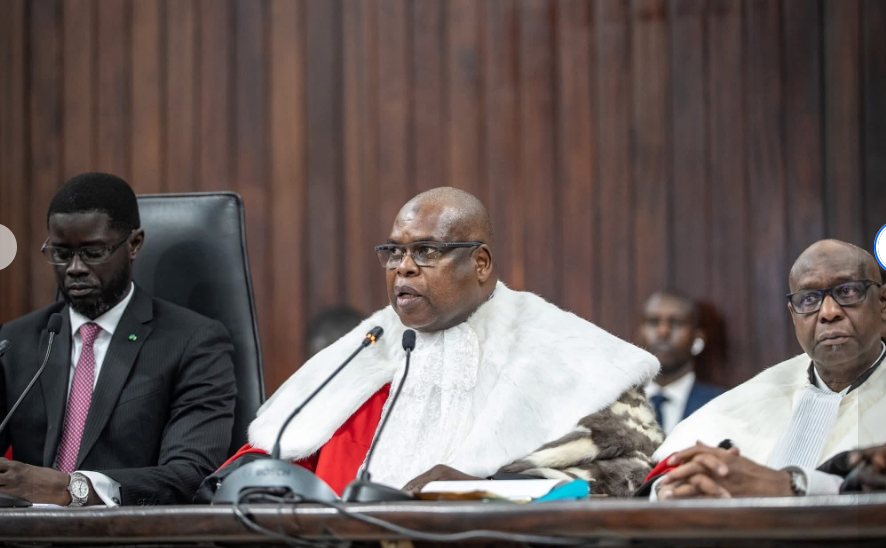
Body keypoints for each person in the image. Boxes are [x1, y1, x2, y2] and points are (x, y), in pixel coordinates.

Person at [220, 187, 662, 497]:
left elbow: (630, 476)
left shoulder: (571, 353)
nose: (404, 267)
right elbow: (263, 463)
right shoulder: (365, 352)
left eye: (426, 251)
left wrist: (485, 490)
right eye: (394, 252)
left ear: (481, 263)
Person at [0, 173, 237, 506]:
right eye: (62, 253)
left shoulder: (194, 343)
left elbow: (191, 474)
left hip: (127, 529)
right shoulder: (14, 342)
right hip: (25, 530)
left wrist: (70, 488)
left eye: (93, 252)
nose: (74, 268)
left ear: (134, 244)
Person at [648, 239, 885, 499]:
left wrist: (792, 485)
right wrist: (678, 488)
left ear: (883, 302)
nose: (829, 312)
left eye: (848, 291)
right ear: (794, 314)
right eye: (809, 298)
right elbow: (660, 482)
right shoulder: (755, 395)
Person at [638, 291, 724, 433]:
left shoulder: (721, 405)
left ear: (697, 337)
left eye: (676, 323)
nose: (663, 331)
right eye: (653, 322)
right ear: (640, 333)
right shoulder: (612, 404)